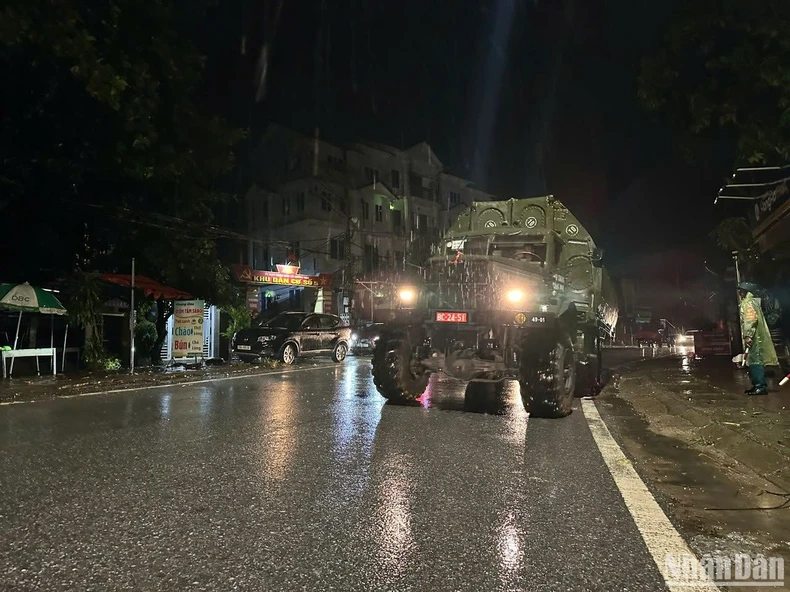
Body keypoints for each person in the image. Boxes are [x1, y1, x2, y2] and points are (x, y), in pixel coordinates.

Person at [738, 282, 779, 395]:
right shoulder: (753, 302)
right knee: (753, 361)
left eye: (741, 291)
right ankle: (757, 385)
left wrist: (748, 335)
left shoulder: (748, 303)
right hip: (757, 336)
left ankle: (760, 386)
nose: (740, 293)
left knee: (755, 362)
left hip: (755, 337)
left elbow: (750, 320)